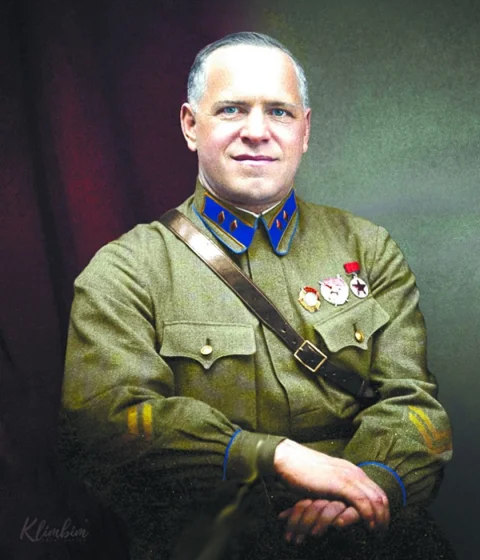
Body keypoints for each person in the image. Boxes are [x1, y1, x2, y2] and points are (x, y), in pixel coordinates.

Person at [60, 32, 454, 560]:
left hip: (369, 535)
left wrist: (367, 485)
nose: (256, 131)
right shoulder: (125, 270)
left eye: (279, 112)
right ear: (190, 125)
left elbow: (415, 406)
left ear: (304, 131)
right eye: (231, 109)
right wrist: (272, 455)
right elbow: (107, 426)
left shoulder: (368, 248)